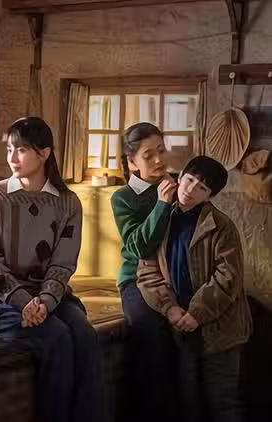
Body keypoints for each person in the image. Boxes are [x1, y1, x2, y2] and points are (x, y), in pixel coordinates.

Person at [0, 117, 106, 422]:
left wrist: (44, 302)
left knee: (85, 335)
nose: (12, 157)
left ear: (45, 153)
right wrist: (25, 302)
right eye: (9, 149)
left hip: (53, 298)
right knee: (57, 338)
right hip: (3, 300)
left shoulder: (68, 202)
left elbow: (63, 263)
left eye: (21, 150)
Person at [137, 156, 251, 422]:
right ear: (180, 177)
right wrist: (169, 308)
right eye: (189, 180)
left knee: (222, 404)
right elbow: (146, 270)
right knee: (188, 404)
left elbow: (228, 277)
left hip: (221, 329)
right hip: (180, 325)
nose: (190, 190)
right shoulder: (161, 217)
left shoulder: (221, 226)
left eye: (202, 188)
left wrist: (197, 313)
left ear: (210, 196)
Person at [109, 122, 180, 421]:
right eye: (148, 155)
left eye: (161, 151)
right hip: (135, 281)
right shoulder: (123, 197)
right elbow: (138, 246)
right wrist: (162, 204)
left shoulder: (179, 185)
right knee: (151, 336)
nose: (159, 160)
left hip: (176, 276)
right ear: (132, 161)